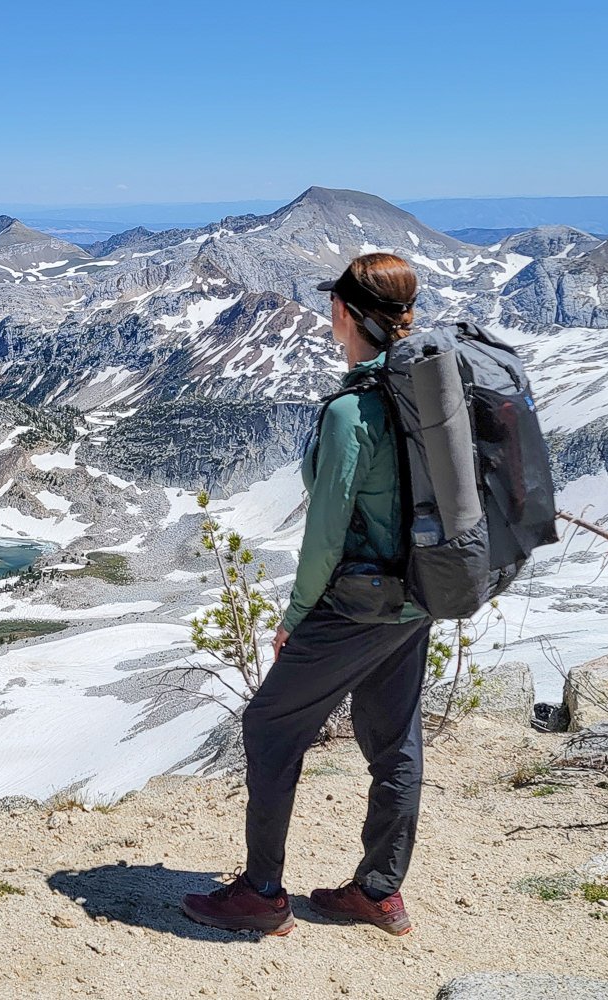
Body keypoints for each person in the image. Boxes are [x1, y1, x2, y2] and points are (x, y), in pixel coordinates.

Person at [182, 252, 431, 937]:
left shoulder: (356, 410)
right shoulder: (429, 393)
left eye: (333, 306)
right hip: (418, 596)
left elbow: (326, 533)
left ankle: (262, 894)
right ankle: (379, 892)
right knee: (395, 743)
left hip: (356, 602)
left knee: (270, 727)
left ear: (344, 313)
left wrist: (297, 616)